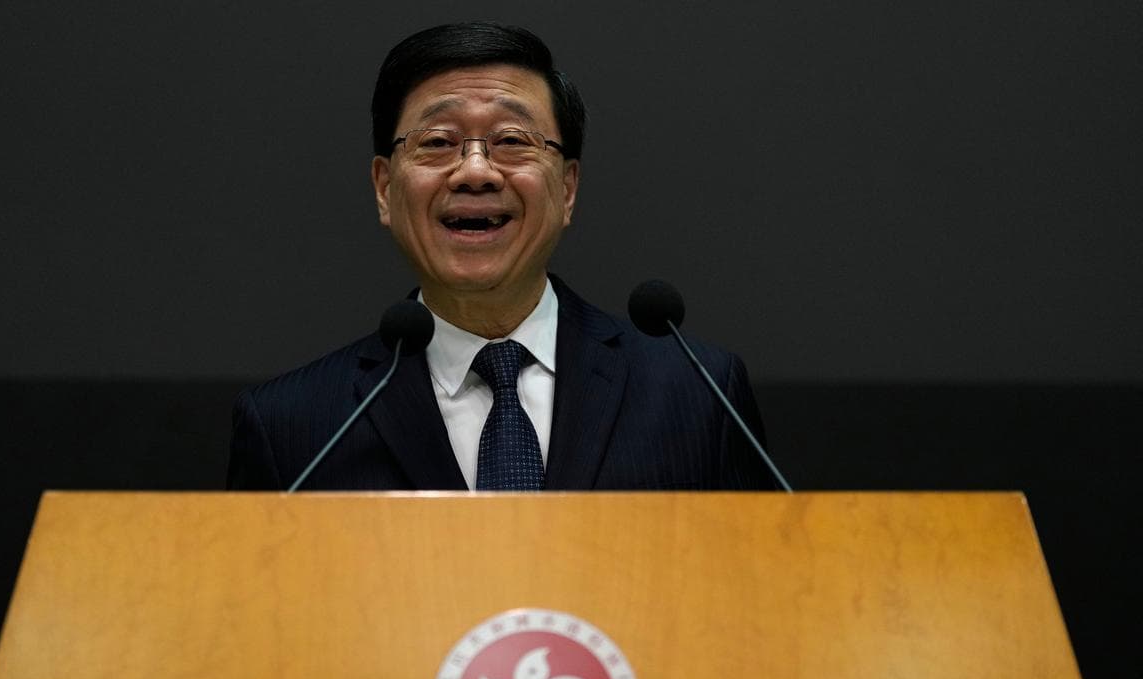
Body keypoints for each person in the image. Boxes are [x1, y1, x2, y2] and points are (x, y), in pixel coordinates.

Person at [227, 22, 775, 491]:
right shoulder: (294, 428)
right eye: (437, 142)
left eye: (512, 140)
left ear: (567, 188)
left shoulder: (697, 393)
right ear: (384, 188)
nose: (475, 171)